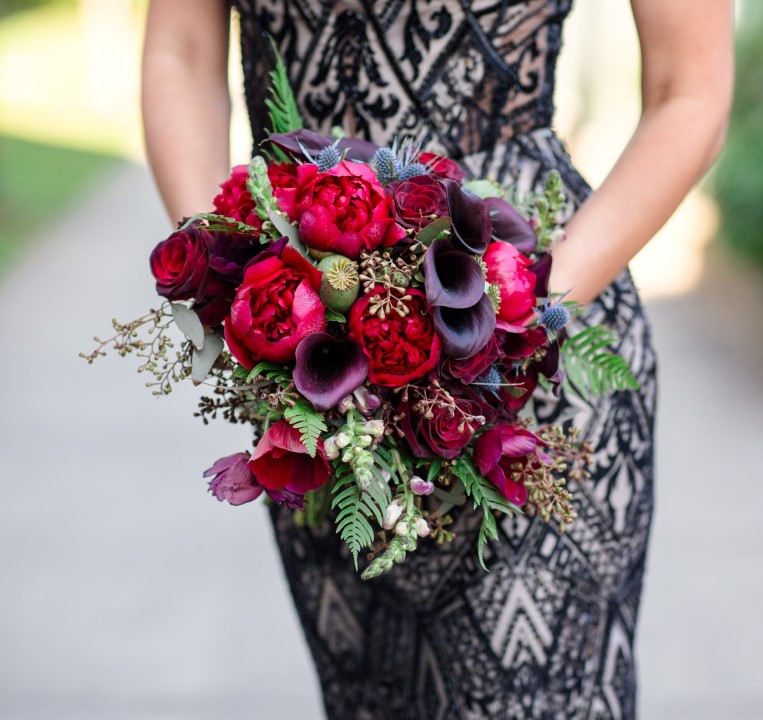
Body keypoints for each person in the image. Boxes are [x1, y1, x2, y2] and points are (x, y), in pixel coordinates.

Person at [141, 1, 733, 718]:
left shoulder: (525, 321)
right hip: (317, 361)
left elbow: (689, 93)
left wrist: (521, 313)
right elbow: (180, 53)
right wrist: (237, 277)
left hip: (530, 348)